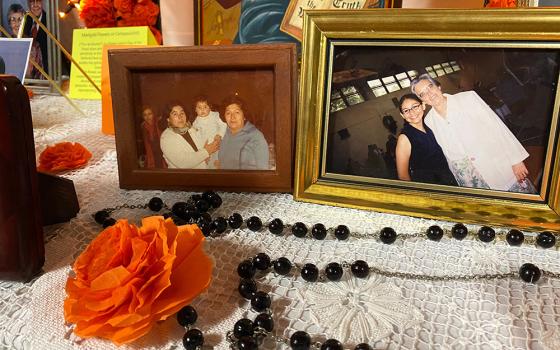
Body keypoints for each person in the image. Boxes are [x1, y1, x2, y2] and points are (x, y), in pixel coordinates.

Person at [410, 73, 535, 193]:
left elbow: (496, 127)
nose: (430, 94)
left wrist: (516, 160)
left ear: (438, 86)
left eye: (430, 87)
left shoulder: (468, 98)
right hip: (470, 179)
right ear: (422, 101)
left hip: (497, 164)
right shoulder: (429, 121)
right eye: (423, 94)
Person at [395, 94, 457, 186]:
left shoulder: (431, 125)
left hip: (449, 180)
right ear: (402, 115)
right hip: (431, 188)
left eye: (415, 106)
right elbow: (403, 176)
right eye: (406, 110)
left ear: (423, 105)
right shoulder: (404, 138)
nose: (412, 113)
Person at [159, 103, 219, 169]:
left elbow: (204, 147)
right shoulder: (166, 138)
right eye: (175, 114)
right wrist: (206, 152)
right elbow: (183, 163)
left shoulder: (192, 128)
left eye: (182, 113)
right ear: (168, 119)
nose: (180, 117)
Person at [218, 96, 269, 170]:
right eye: (228, 113)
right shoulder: (223, 133)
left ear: (244, 116)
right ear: (224, 116)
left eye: (237, 112)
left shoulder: (255, 136)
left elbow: (263, 171)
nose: (232, 117)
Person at [192, 96, 227, 169]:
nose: (202, 110)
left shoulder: (215, 115)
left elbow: (223, 125)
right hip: (206, 149)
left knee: (218, 165)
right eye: (199, 107)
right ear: (195, 109)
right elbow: (196, 138)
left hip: (218, 144)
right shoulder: (195, 123)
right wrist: (202, 152)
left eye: (205, 107)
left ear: (210, 107)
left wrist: (219, 135)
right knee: (208, 166)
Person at [23, 0, 47, 76]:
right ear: (28, 3)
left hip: (45, 73)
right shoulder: (25, 19)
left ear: (43, 2)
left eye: (38, 1)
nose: (35, 5)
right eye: (32, 2)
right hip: (28, 71)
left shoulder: (50, 20)